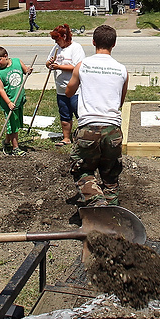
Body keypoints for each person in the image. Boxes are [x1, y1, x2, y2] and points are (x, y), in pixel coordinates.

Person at [65, 24, 129, 207]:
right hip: (113, 130)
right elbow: (119, 101)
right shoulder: (122, 70)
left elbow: (69, 92)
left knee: (81, 169)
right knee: (110, 175)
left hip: (88, 128)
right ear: (114, 44)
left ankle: (96, 202)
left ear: (93, 42)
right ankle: (112, 214)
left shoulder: (82, 65)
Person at [45, 24, 86, 146]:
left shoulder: (76, 48)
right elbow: (48, 62)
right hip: (61, 89)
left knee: (80, 114)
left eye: (57, 39)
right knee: (64, 114)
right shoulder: (56, 48)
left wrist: (59, 66)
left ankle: (84, 137)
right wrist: (50, 64)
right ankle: (66, 138)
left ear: (64, 36)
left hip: (75, 89)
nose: (56, 42)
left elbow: (76, 67)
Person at [0, 46, 33, 154]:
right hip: (9, 103)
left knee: (15, 123)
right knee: (13, 126)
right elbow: (1, 90)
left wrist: (29, 70)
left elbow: (26, 71)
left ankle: (6, 141)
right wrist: (9, 102)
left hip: (19, 99)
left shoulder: (17, 62)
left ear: (5, 56)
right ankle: (15, 148)